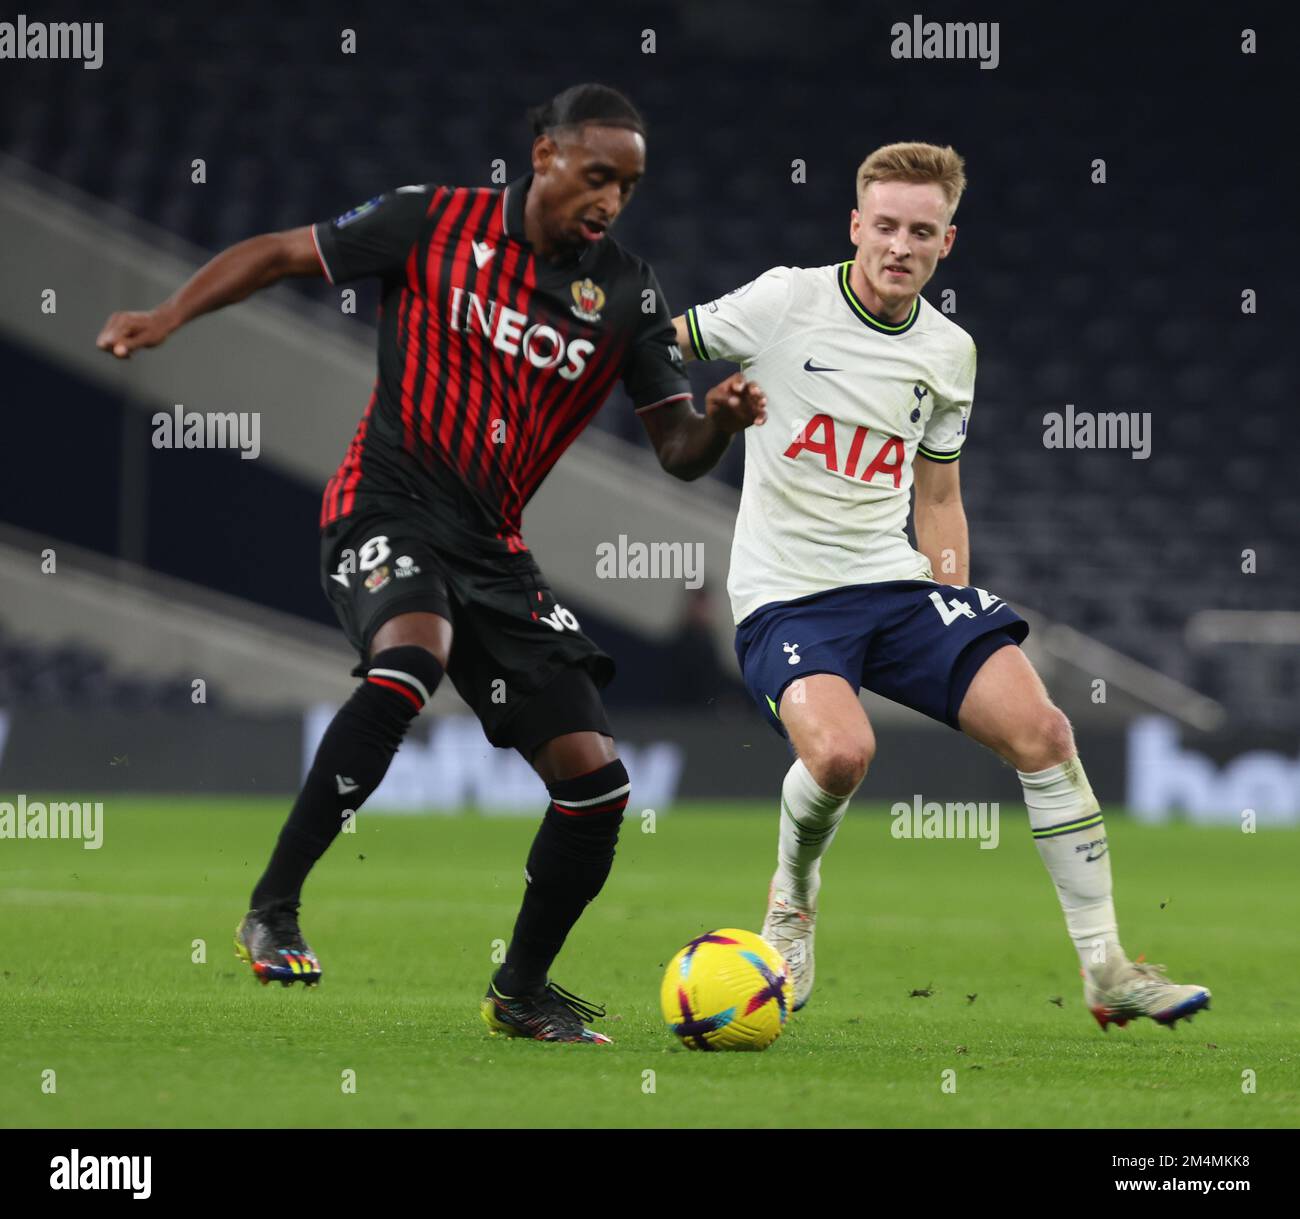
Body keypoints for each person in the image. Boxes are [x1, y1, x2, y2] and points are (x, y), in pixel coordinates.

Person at [97, 83, 766, 1044]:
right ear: (543, 156)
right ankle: (274, 905)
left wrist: (723, 424)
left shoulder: (627, 290)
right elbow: (282, 252)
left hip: (494, 548)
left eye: (628, 185)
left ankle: (521, 991)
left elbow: (678, 452)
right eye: (597, 175)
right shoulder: (430, 221)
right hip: (386, 502)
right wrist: (168, 316)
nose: (611, 200)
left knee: (597, 783)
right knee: (410, 658)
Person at [672, 141, 1209, 1030]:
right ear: (855, 225)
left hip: (896, 586)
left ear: (945, 243)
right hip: (787, 595)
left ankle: (1107, 966)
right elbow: (662, 342)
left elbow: (940, 492)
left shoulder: (950, 351)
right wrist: (688, 421)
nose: (899, 246)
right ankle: (791, 907)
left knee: (1044, 730)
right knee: (841, 756)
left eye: (920, 232)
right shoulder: (783, 302)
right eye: (883, 226)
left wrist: (952, 596)